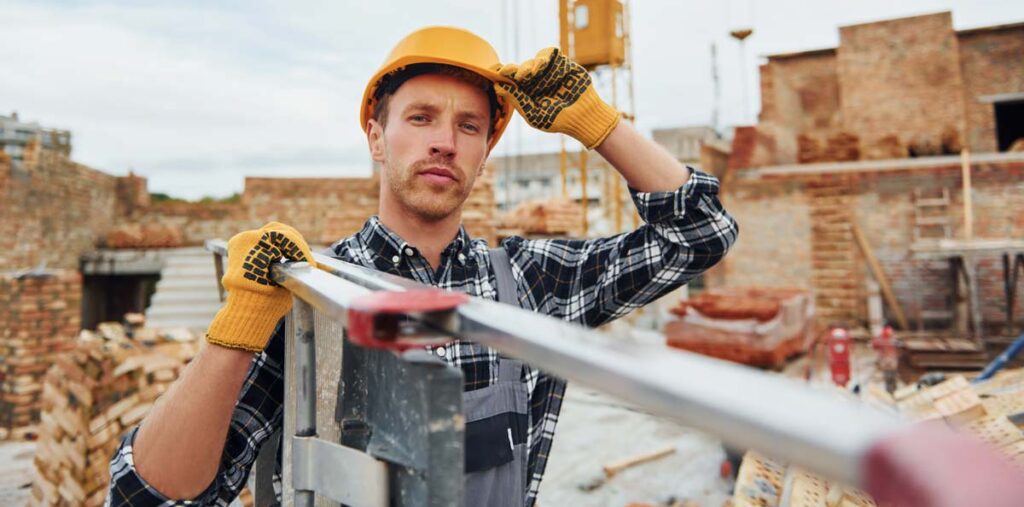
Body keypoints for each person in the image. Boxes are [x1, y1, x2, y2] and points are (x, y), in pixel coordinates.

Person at [106, 26, 738, 506]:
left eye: (469, 126)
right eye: (421, 118)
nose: (445, 141)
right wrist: (239, 326)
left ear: (487, 150)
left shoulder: (529, 283)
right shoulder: (315, 301)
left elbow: (700, 234)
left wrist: (597, 125)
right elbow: (153, 495)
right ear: (377, 138)